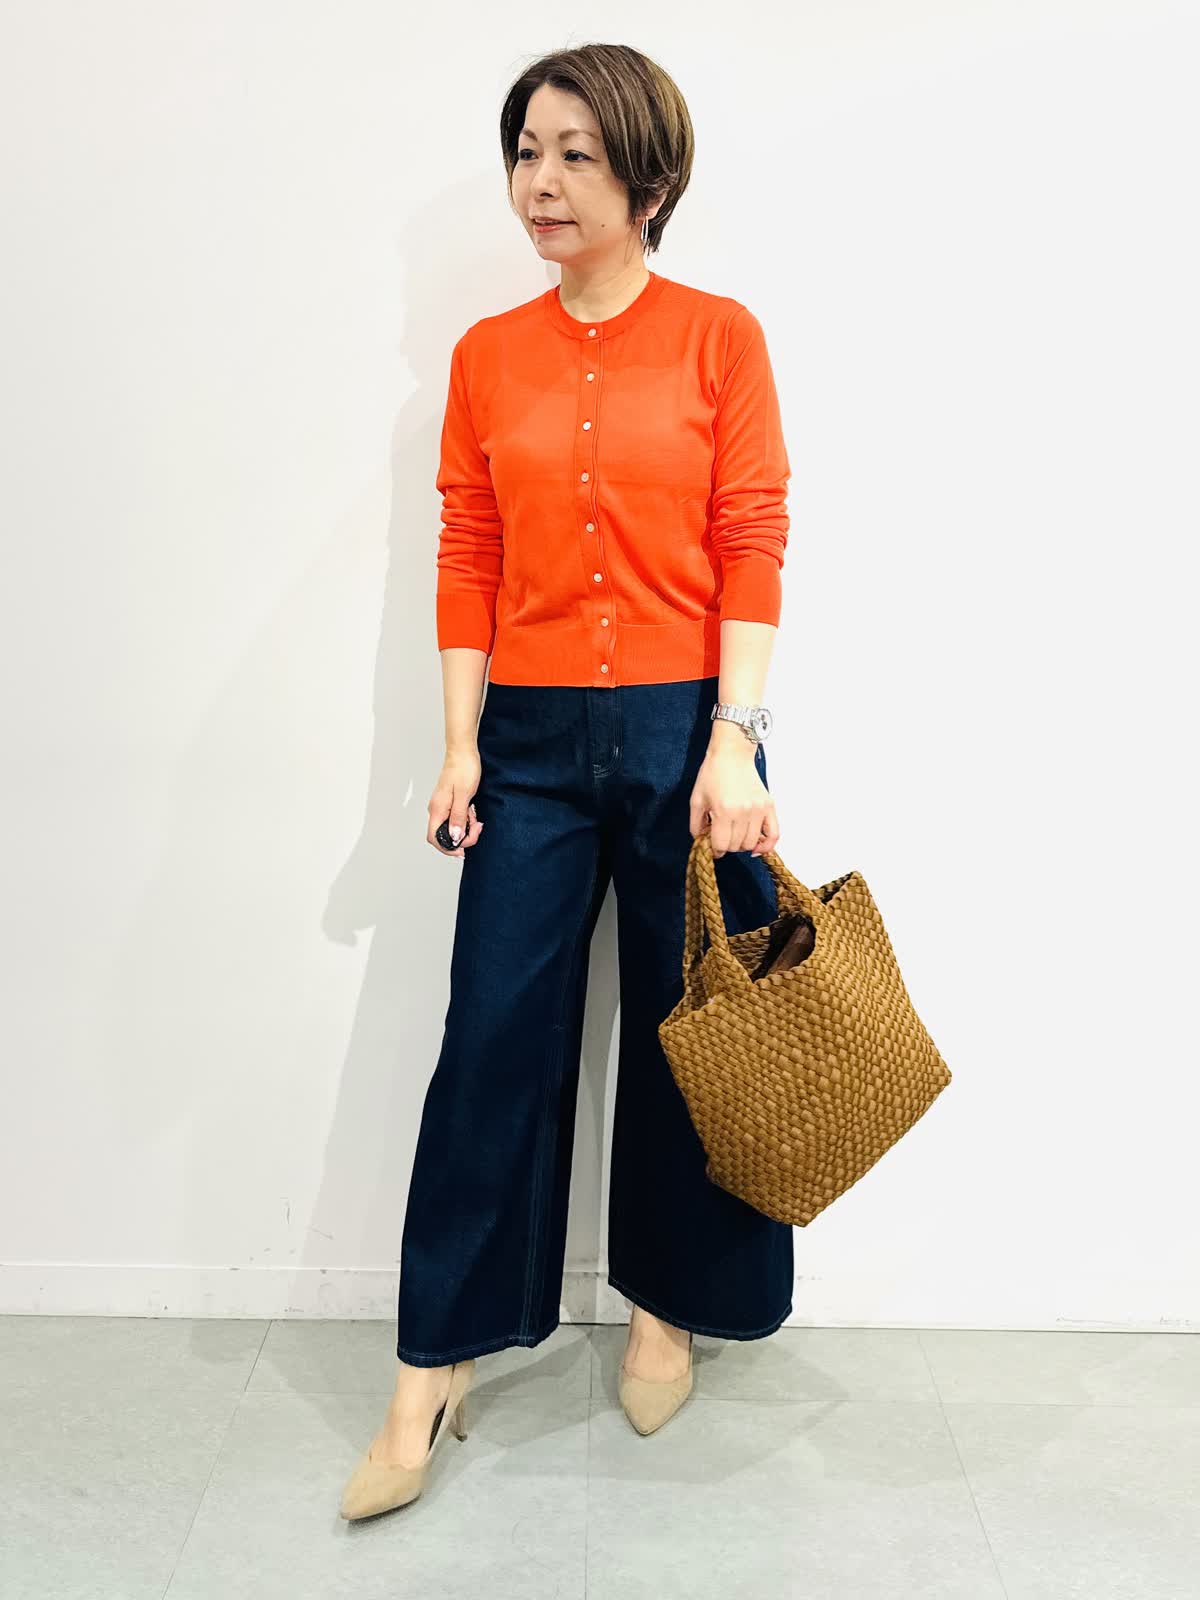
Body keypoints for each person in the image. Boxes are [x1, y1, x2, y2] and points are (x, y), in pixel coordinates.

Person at [341, 42, 794, 1521]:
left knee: (688, 1035)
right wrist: (461, 743)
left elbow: (751, 537)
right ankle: (433, 1366)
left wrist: (737, 739)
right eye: (525, 152)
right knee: (493, 1043)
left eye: (574, 155)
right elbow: (468, 550)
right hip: (527, 745)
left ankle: (667, 1308)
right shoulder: (488, 356)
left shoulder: (720, 338)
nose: (539, 182)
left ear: (648, 176)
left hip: (683, 736)